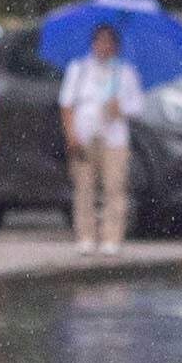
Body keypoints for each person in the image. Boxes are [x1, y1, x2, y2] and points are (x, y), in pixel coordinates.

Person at [59, 17, 142, 254]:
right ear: (93, 43)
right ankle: (85, 235)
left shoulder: (124, 72)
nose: (104, 46)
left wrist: (121, 109)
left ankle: (111, 237)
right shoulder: (79, 68)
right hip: (85, 135)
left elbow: (137, 106)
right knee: (84, 186)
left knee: (113, 187)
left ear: (115, 45)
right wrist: (71, 135)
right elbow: (66, 104)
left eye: (109, 42)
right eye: (100, 41)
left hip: (114, 138)